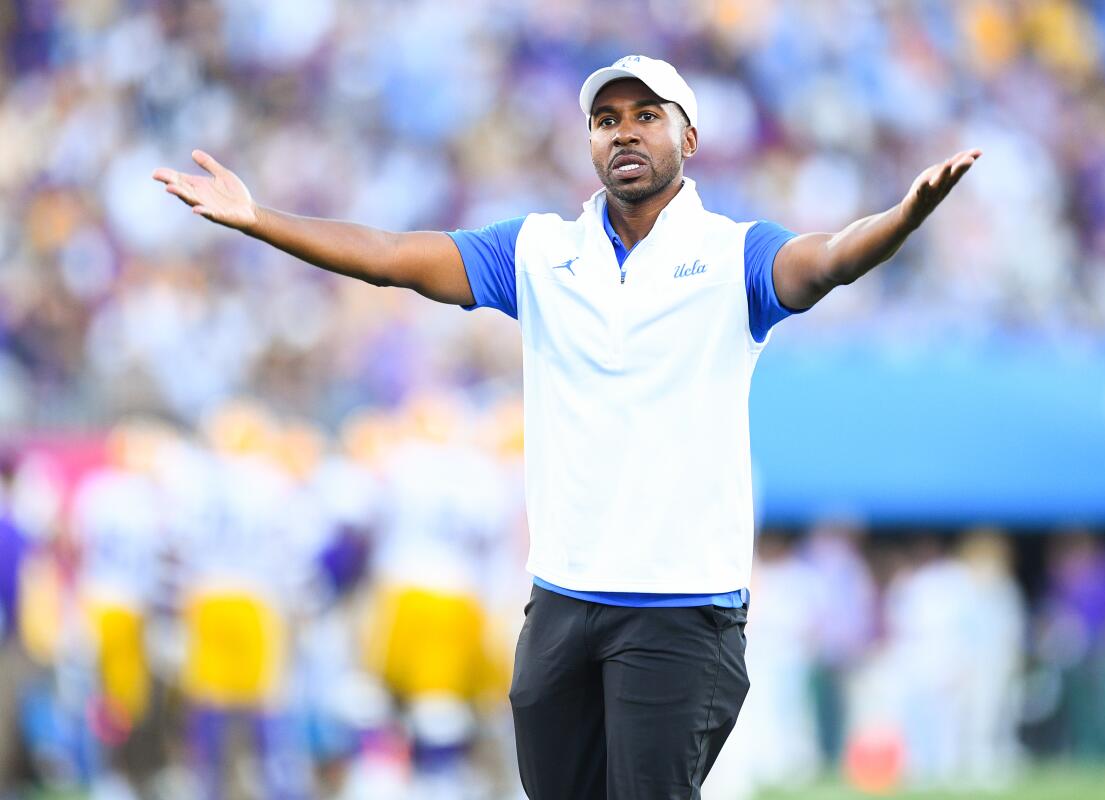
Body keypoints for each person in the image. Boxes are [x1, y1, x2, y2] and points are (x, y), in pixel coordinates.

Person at [153, 54, 980, 799]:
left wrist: (899, 220)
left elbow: (827, 258)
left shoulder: (732, 253)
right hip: (561, 603)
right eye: (606, 119)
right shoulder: (541, 252)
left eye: (646, 116)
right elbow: (393, 255)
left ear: (688, 137)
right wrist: (261, 219)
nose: (625, 133)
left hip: (679, 605)